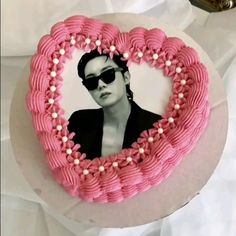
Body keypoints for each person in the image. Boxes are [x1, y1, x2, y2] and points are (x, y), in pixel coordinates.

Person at [68, 50, 161, 160]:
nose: (100, 85)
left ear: (126, 77)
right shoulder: (78, 122)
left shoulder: (155, 126)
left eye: (108, 74)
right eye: (91, 81)